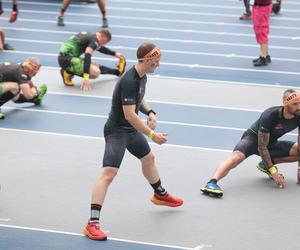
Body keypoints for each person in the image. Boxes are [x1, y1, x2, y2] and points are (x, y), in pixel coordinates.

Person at [83, 43, 183, 241]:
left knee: (149, 158)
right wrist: (152, 135)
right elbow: (129, 115)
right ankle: (92, 224)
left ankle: (159, 194)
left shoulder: (142, 76)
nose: (158, 64)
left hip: (130, 130)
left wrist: (150, 111)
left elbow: (140, 99)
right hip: (117, 132)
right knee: (108, 174)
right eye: (156, 61)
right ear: (146, 60)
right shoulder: (129, 80)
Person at [201, 89, 300, 197]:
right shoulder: (270, 115)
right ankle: (211, 182)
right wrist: (273, 171)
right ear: (285, 103)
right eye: (295, 104)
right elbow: (261, 147)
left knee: (297, 151)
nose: (298, 107)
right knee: (236, 158)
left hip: (271, 143)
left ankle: (265, 165)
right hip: (253, 140)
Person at [58, 29, 126, 91]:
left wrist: (114, 54)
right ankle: (67, 72)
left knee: (94, 64)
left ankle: (117, 72)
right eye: (104, 42)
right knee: (95, 72)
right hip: (65, 60)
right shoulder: (94, 41)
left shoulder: (93, 36)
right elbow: (87, 57)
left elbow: (100, 48)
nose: (103, 44)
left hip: (68, 57)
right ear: (103, 37)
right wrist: (86, 77)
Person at [251, 0, 273, 66]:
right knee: (259, 30)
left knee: (261, 31)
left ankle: (263, 57)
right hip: (259, 5)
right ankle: (266, 55)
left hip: (262, 6)